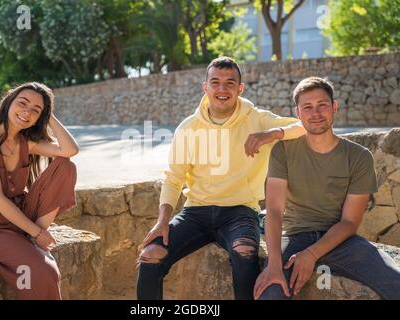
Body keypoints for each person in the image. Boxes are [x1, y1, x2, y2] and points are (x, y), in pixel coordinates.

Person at [136, 56, 306, 300]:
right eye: (215, 82)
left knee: (245, 250)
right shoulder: (189, 127)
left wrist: (270, 134)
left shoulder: (256, 118)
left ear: (240, 88)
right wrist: (163, 220)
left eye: (229, 83)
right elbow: (174, 178)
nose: (222, 89)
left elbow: (302, 126)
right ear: (205, 87)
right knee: (150, 254)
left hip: (240, 211)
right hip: (195, 212)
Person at [254, 77, 400, 300]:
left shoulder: (359, 156)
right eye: (308, 107)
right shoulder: (283, 151)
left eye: (322, 105)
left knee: (395, 281)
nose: (316, 113)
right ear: (298, 113)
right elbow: (274, 210)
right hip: (294, 237)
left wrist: (311, 254)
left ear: (334, 107)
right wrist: (274, 265)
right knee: (271, 292)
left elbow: (350, 222)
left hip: (341, 240)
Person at [0, 82, 79, 300]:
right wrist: (38, 233)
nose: (27, 112)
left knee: (66, 165)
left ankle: (31, 241)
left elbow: (70, 150)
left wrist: (49, 116)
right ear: (8, 103)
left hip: (21, 216)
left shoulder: (27, 142)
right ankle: (33, 239)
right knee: (45, 271)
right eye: (22, 103)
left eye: (36, 110)